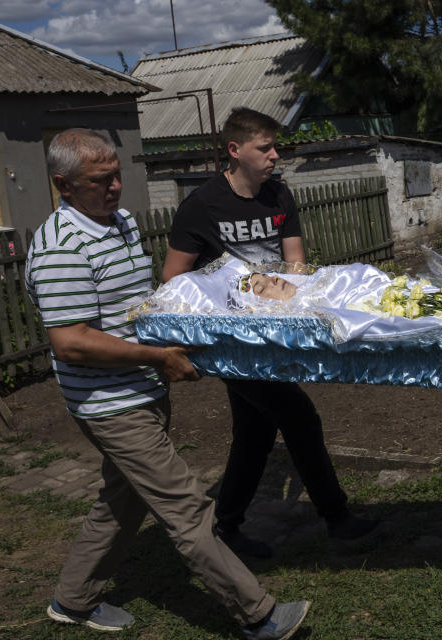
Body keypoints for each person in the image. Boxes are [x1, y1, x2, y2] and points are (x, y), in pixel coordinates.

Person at [26, 128, 310, 639]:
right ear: (62, 185)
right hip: (108, 401)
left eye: (116, 176)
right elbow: (69, 341)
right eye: (99, 181)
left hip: (141, 387)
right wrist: (156, 357)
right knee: (185, 507)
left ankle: (72, 601)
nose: (114, 188)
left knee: (122, 499)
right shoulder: (59, 248)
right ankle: (259, 615)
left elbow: (144, 301)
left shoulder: (121, 223)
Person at [162, 108, 379, 558]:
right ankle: (335, 517)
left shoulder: (279, 195)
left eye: (274, 147)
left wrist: (298, 312)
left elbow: (295, 265)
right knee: (298, 417)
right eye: (265, 148)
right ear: (235, 150)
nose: (275, 156)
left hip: (278, 335)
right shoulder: (201, 205)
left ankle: (226, 526)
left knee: (256, 432)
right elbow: (172, 282)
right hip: (234, 345)